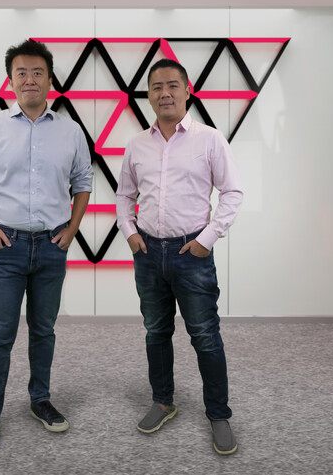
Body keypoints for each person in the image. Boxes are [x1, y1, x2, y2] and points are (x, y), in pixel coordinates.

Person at [0, 39, 93, 456]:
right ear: (11, 80)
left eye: (38, 72)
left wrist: (72, 229)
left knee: (44, 330)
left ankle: (40, 400)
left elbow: (83, 183)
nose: (30, 79)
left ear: (50, 79)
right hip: (6, 246)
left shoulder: (71, 131)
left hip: (52, 246)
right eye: (22, 73)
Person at [115, 59, 244, 455]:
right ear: (148, 94)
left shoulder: (209, 139)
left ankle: (218, 414)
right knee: (156, 332)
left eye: (173, 85)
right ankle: (163, 401)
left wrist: (207, 238)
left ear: (187, 91)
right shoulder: (137, 144)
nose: (164, 92)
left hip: (192, 253)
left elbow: (232, 193)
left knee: (205, 336)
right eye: (156, 87)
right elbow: (125, 194)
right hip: (149, 253)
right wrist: (131, 234)